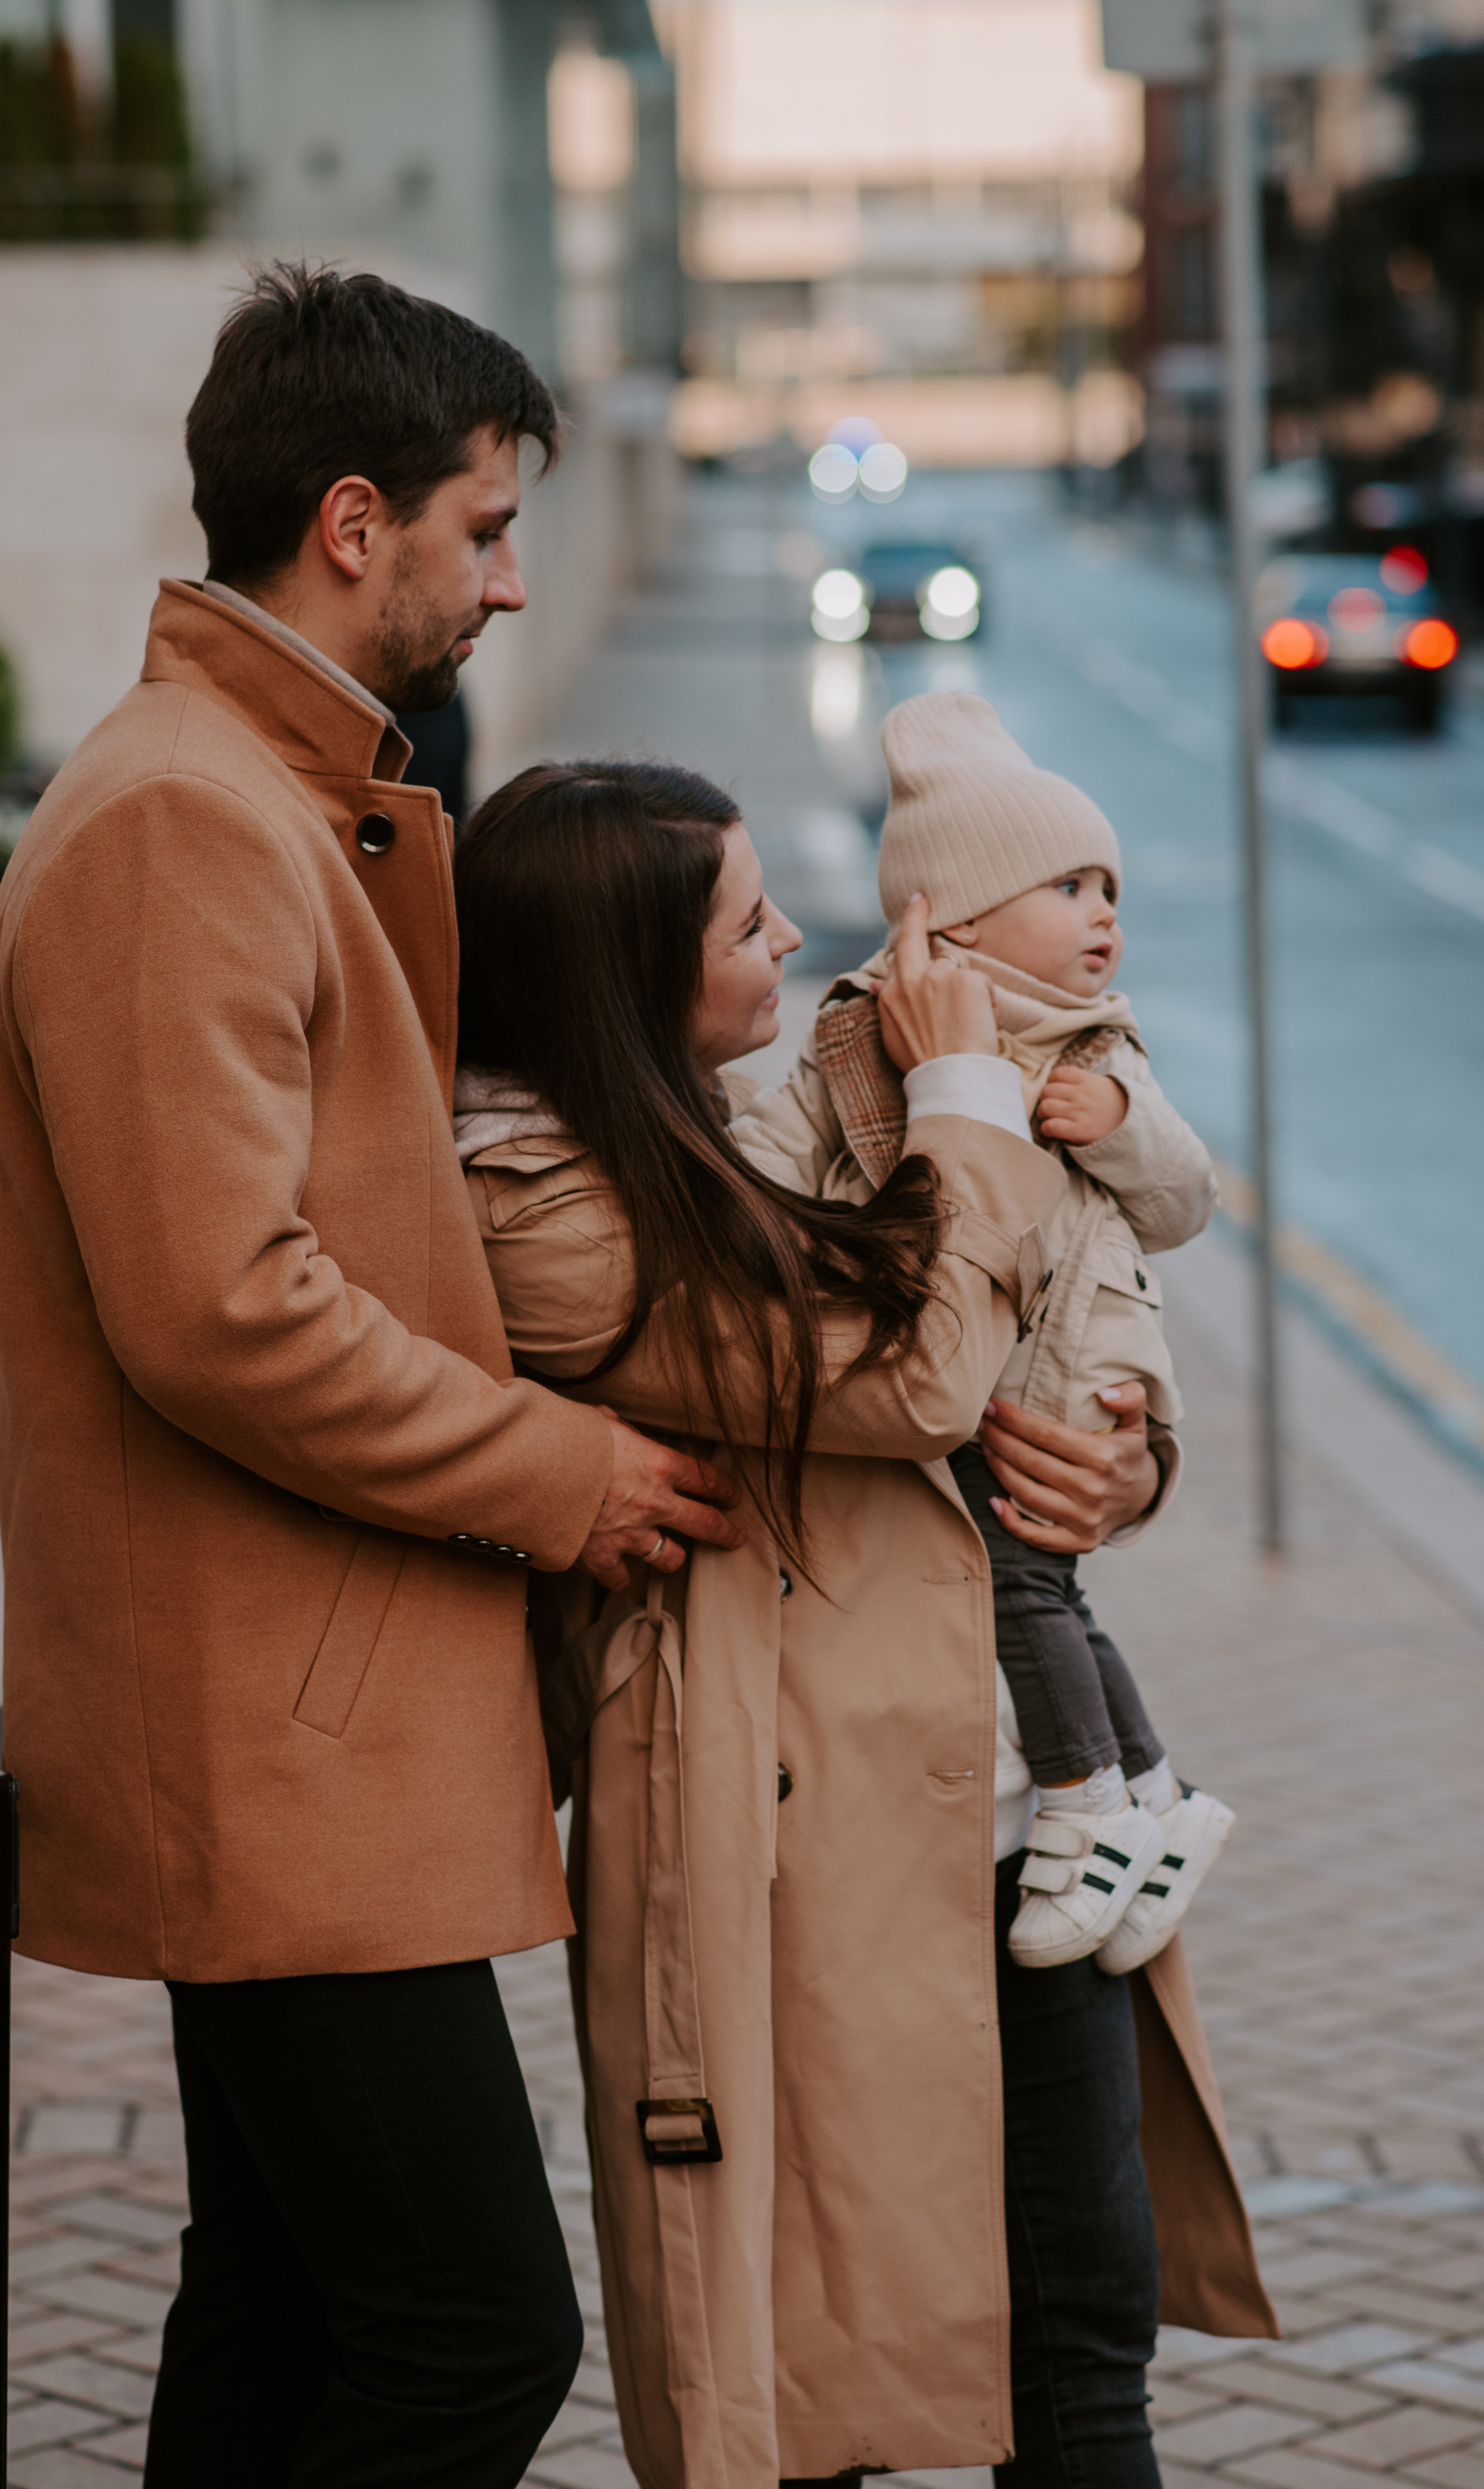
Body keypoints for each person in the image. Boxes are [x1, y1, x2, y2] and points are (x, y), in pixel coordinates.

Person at [0, 264, 747, 2489]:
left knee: (286, 2306)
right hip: (273, 1733)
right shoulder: (183, 819)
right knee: (469, 2333)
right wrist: (562, 1470)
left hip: (293, 1709)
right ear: (353, 522)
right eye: (485, 529)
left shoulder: (260, 793)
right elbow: (221, 1302)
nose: (511, 581)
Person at [452, 758, 1276, 2489]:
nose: (792, 939)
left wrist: (1120, 1457)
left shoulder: (724, 1123)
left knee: (1082, 2324)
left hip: (1010, 1809)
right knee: (812, 2369)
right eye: (745, 921)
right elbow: (912, 1378)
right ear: (629, 971)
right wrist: (964, 1089)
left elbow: (1030, 1317)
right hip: (798, 1839)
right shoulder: (545, 1208)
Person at [734, 691, 1234, 1974]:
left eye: (1108, 887)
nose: (1104, 914)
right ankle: (1153, 1795)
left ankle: (1083, 1803)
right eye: (1068, 887)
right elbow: (781, 1152)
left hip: (1068, 1362)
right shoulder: (858, 1032)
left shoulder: (1097, 1048)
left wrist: (1121, 1122)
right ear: (953, 920)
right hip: (977, 1355)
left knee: (1019, 1581)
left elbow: (1184, 1203)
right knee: (1044, 1585)